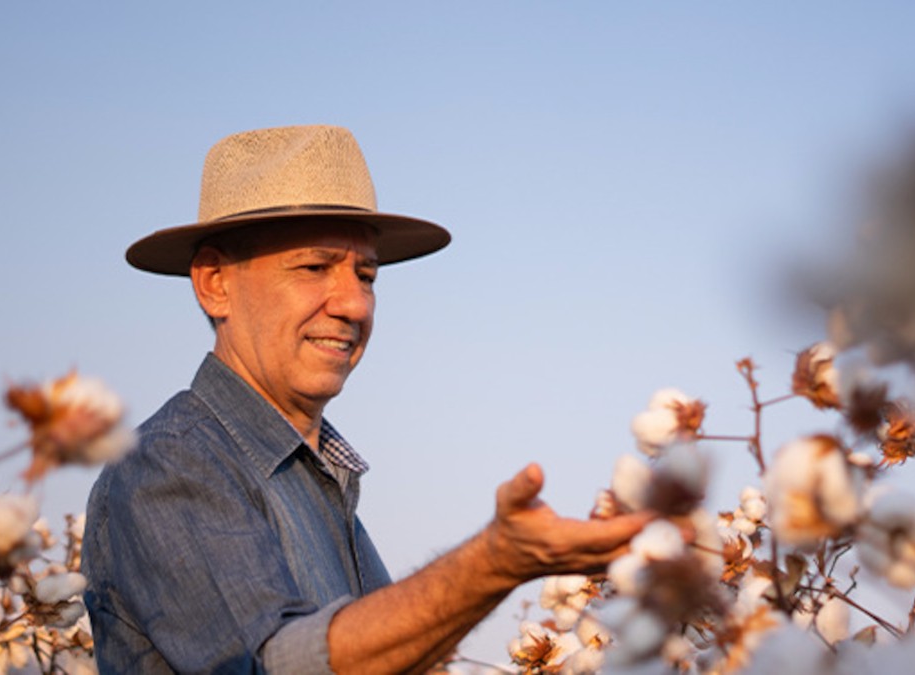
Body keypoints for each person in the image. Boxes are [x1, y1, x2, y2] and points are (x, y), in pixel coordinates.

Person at [82, 125, 653, 673]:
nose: (354, 304)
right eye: (313, 268)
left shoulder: (322, 480)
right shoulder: (171, 463)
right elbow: (275, 666)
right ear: (214, 283)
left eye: (367, 275)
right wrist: (495, 562)